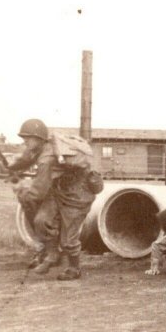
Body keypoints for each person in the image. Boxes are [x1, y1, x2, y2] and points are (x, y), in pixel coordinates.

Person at [9, 119, 103, 280]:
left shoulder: (47, 158)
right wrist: (12, 167)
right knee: (41, 221)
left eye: (28, 137)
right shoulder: (41, 148)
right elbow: (26, 158)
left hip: (78, 195)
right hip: (60, 190)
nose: (24, 141)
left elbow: (37, 193)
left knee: (69, 238)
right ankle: (53, 254)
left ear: (39, 138)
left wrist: (20, 191)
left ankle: (74, 269)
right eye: (23, 137)